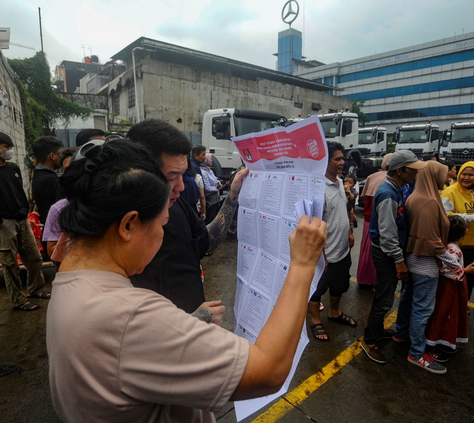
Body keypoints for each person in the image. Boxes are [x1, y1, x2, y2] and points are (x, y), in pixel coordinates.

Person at [46, 139, 328, 422]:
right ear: (128, 225)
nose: (161, 235)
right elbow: (268, 371)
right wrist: (302, 265)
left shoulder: (71, 278)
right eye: (161, 224)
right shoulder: (131, 317)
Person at [127, 120, 248, 313]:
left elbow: (206, 241)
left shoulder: (177, 204)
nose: (181, 187)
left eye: (183, 175)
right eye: (171, 177)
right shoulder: (118, 226)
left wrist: (232, 196)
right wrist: (190, 322)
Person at [361, 150, 427, 364]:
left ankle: (377, 330)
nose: (415, 174)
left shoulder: (395, 188)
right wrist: (399, 261)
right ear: (400, 170)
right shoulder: (388, 193)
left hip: (387, 252)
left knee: (384, 295)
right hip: (386, 253)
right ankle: (369, 340)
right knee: (384, 299)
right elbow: (387, 234)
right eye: (412, 170)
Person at [394, 160, 450, 374]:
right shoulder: (429, 201)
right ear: (433, 175)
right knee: (423, 309)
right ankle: (417, 354)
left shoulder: (416, 196)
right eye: (442, 173)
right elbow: (431, 242)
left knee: (408, 300)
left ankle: (400, 333)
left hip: (412, 259)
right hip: (425, 263)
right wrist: (456, 265)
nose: (444, 178)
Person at [308, 141, 356, 342]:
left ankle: (334, 312)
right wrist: (322, 256)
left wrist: (350, 231)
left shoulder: (339, 183)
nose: (342, 162)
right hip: (326, 253)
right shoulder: (318, 189)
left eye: (342, 158)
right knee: (317, 290)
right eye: (337, 159)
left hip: (342, 249)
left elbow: (343, 211)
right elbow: (313, 226)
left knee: (340, 286)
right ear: (325, 161)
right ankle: (314, 319)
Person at [0, 132, 49, 311]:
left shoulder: (13, 168)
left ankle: (35, 289)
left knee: (34, 257)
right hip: (4, 223)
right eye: (6, 147)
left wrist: (24, 210)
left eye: (10, 147)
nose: (9, 150)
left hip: (21, 218)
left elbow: (19, 191)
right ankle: (18, 301)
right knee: (10, 264)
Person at [425, 215, 474, 356]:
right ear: (465, 232)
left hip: (447, 286)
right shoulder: (453, 249)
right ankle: (441, 345)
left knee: (442, 313)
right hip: (450, 288)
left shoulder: (446, 247)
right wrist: (465, 271)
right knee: (447, 314)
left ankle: (438, 341)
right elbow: (448, 270)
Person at [441, 161, 474, 301]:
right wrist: (471, 218)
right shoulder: (450, 191)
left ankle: (463, 304)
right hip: (459, 245)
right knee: (458, 278)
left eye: (471, 175)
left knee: (472, 279)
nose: (466, 177)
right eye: (464, 174)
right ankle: (457, 305)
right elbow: (444, 215)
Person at [357, 153, 391, 289]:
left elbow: (364, 197)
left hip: (367, 220)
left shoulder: (372, 177)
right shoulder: (391, 179)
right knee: (379, 252)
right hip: (381, 221)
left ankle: (363, 279)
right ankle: (374, 282)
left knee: (366, 251)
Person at [31, 136, 65, 225]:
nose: (61, 157)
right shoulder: (50, 179)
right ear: (52, 156)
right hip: (55, 227)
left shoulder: (39, 174)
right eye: (60, 154)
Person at [201, 154, 223, 225]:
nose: (211, 160)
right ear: (206, 161)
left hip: (215, 200)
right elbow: (207, 188)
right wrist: (217, 188)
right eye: (210, 159)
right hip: (210, 201)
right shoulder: (203, 172)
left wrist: (219, 184)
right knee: (210, 220)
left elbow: (216, 180)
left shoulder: (210, 170)